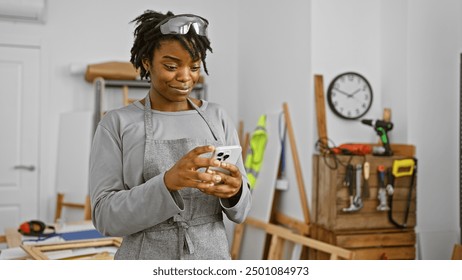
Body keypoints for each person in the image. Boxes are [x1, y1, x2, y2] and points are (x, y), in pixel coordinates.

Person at [89, 10, 252, 260]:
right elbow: (104, 217)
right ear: (146, 61)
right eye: (171, 66)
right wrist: (167, 183)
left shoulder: (216, 118)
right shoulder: (117, 124)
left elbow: (240, 213)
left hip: (211, 258)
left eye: (194, 66)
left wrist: (236, 192)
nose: (185, 77)